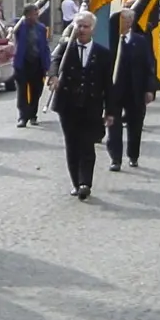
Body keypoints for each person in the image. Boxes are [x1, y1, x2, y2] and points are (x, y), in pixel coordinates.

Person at [48, 12, 113, 201]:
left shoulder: (103, 54)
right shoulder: (65, 48)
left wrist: (110, 110)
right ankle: (76, 182)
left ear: (92, 29)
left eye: (85, 26)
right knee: (72, 144)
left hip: (91, 105)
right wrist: (53, 77)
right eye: (79, 26)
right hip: (68, 105)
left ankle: (86, 183)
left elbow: (109, 84)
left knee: (87, 144)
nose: (82, 30)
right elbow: (54, 63)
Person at [105, 9, 158, 172]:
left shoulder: (140, 41)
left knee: (135, 124)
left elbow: (149, 66)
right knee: (113, 124)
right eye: (122, 19)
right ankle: (115, 158)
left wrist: (150, 89)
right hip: (114, 90)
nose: (126, 22)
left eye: (128, 20)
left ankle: (133, 155)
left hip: (136, 90)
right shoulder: (109, 41)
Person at [12, 4, 52, 128]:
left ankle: (33, 115)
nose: (37, 16)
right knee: (22, 92)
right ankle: (23, 117)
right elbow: (12, 29)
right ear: (28, 15)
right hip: (22, 64)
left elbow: (45, 48)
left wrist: (47, 65)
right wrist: (12, 29)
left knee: (36, 91)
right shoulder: (19, 26)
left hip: (37, 64)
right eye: (34, 14)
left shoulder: (41, 28)